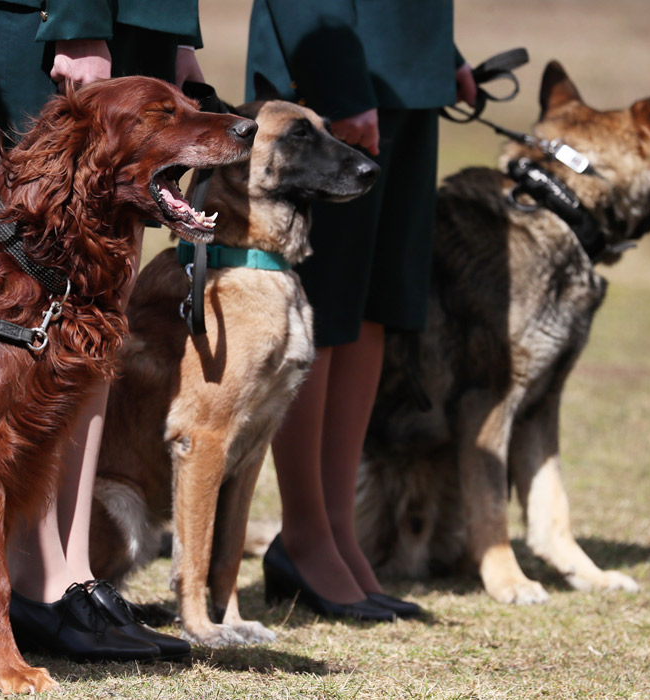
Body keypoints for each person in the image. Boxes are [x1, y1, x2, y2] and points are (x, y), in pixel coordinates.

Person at [0, 0, 203, 661]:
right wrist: (76, 22)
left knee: (96, 315)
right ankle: (31, 579)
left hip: (136, 25)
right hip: (60, 23)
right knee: (25, 306)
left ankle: (71, 572)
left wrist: (174, 37)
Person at [245, 0, 477, 621]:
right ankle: (305, 536)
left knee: (373, 301)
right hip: (335, 71)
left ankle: (338, 533)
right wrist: (339, 83)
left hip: (402, 68)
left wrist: (434, 51)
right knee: (325, 305)